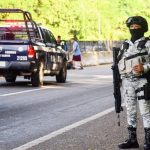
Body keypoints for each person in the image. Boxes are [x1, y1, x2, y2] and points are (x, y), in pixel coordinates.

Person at [117, 16, 150, 150]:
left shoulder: (147, 43)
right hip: (127, 82)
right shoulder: (125, 44)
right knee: (130, 111)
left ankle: (148, 140)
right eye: (131, 27)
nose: (134, 29)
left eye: (137, 27)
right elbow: (119, 62)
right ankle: (132, 139)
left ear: (143, 28)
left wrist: (145, 67)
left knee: (145, 111)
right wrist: (118, 78)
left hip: (142, 81)